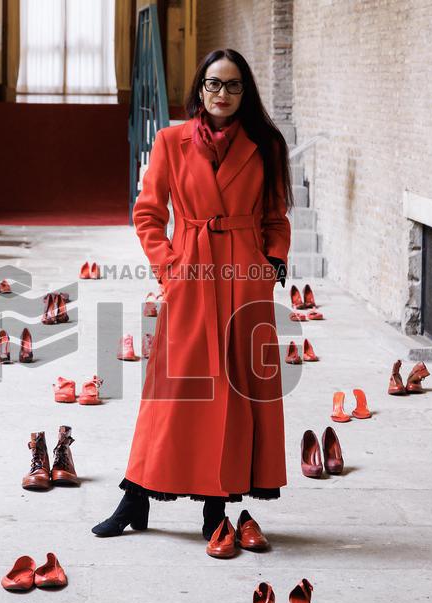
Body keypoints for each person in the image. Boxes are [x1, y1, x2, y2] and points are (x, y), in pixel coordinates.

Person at [93, 49, 292, 542]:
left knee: (234, 393)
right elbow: (148, 213)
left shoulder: (265, 144)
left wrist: (272, 262)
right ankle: (136, 495)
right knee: (173, 390)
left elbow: (276, 216)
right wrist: (171, 268)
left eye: (232, 85)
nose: (221, 94)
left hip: (245, 280)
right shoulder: (170, 141)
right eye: (213, 84)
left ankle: (215, 506)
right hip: (192, 274)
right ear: (199, 90)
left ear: (246, 92)